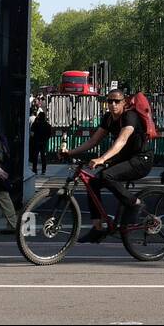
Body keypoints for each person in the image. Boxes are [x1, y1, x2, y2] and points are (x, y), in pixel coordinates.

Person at [60, 90, 153, 242]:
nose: (113, 104)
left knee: (106, 175)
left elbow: (122, 140)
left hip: (141, 159)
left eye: (117, 101)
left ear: (124, 102)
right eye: (110, 101)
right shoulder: (108, 118)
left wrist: (102, 158)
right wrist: (70, 153)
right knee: (93, 182)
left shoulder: (130, 117)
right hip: (125, 159)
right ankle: (98, 228)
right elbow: (93, 141)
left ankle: (135, 203)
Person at [29, 108, 53, 175]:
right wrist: (46, 139)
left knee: (35, 156)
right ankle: (43, 170)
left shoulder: (35, 124)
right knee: (43, 156)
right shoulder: (47, 125)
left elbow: (32, 134)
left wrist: (32, 139)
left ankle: (34, 169)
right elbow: (49, 134)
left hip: (36, 142)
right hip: (43, 142)